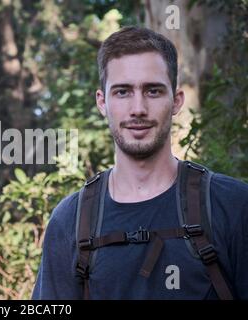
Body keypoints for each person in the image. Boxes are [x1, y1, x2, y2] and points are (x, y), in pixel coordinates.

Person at [31, 26, 248, 300]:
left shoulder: (233, 206)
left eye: (153, 91)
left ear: (176, 101)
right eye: (122, 92)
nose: (138, 109)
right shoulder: (70, 221)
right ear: (102, 102)